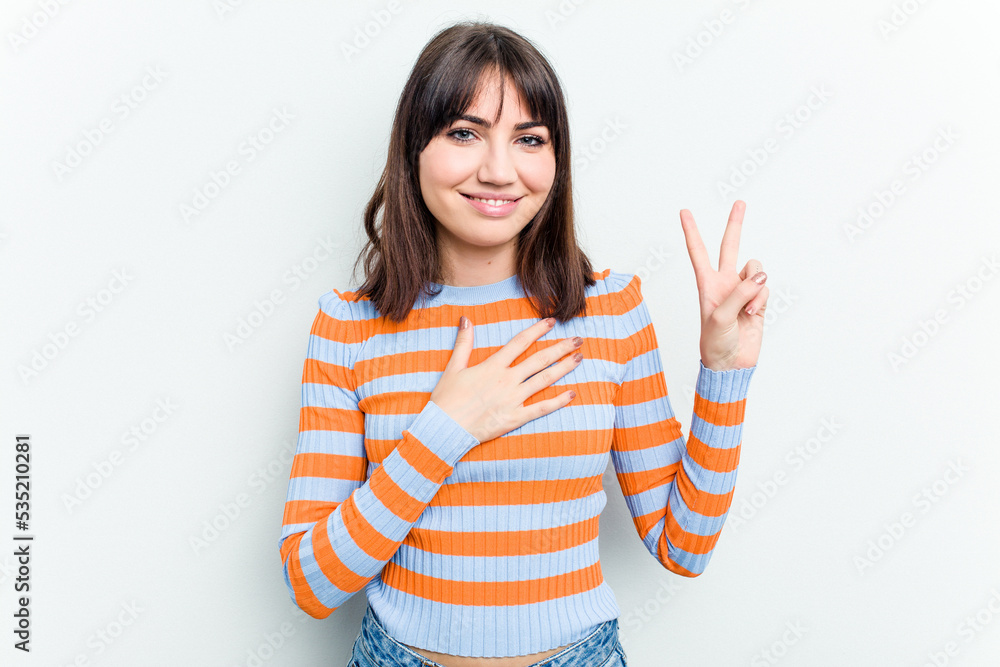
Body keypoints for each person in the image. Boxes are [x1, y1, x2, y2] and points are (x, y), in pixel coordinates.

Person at [278, 20, 768, 667]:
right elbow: (313, 583)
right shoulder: (348, 327)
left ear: (555, 161)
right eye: (464, 133)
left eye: (528, 139)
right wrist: (446, 426)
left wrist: (723, 370)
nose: (499, 170)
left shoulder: (612, 312)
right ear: (413, 150)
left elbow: (686, 544)